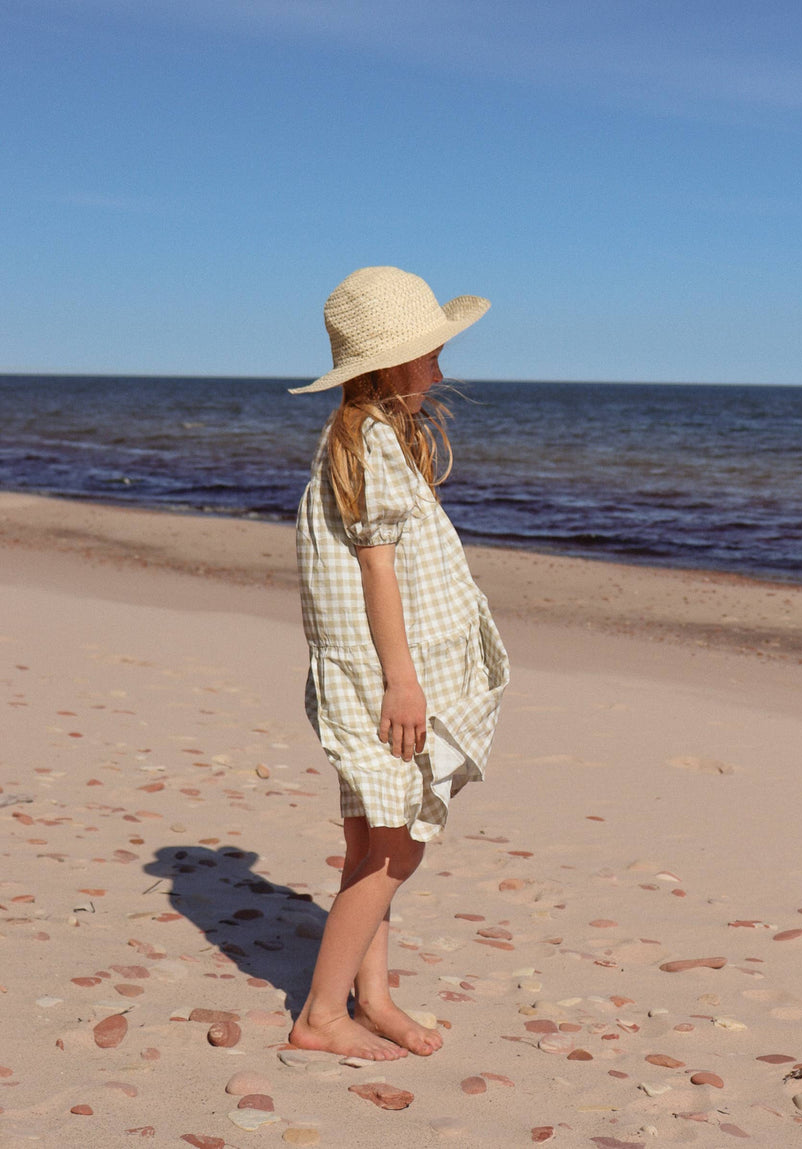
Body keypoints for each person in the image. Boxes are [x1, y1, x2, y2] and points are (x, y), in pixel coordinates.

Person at [286, 266, 509, 1060]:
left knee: (366, 838)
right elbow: (379, 570)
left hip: (360, 671)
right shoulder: (369, 444)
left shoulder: (367, 436)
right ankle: (320, 1013)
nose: (441, 369)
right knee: (393, 846)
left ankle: (370, 994)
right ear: (386, 365)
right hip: (380, 678)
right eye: (428, 355)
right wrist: (404, 681)